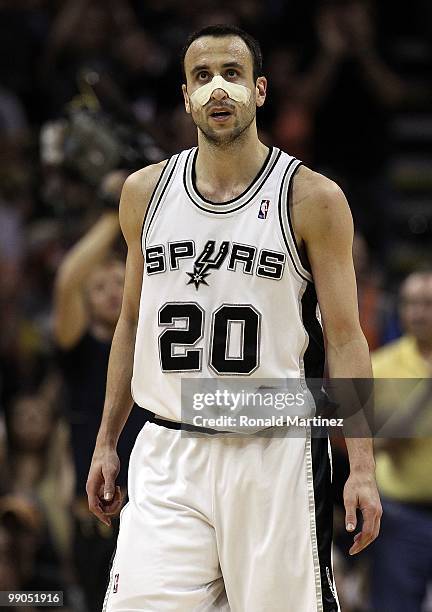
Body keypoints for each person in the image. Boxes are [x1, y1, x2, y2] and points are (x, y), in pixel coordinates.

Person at [87, 25, 382, 611]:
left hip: (271, 450)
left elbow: (347, 339)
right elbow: (130, 323)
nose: (218, 88)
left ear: (261, 90)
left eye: (232, 74)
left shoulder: (312, 198)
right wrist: (105, 441)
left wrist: (363, 466)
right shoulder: (144, 192)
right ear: (186, 95)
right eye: (203, 76)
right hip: (168, 446)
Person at [54, 170, 147, 612]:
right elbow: (69, 279)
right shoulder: (78, 349)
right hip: (94, 515)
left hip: (149, 507)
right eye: (100, 288)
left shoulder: (151, 343)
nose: (112, 293)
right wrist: (119, 213)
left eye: (118, 284)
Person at [370, 271, 432, 612]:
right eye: (411, 304)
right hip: (401, 516)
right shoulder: (381, 365)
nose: (419, 313)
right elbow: (369, 444)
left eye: (428, 304)